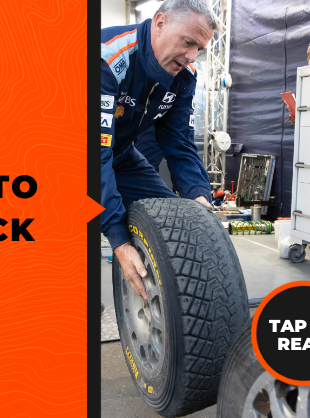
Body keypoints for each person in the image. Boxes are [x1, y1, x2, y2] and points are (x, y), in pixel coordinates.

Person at [101, 0, 216, 300]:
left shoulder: (184, 75)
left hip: (121, 154)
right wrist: (119, 241)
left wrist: (198, 197)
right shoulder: (106, 57)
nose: (192, 56)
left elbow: (179, 142)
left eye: (199, 49)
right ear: (160, 23)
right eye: (188, 42)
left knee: (174, 221)